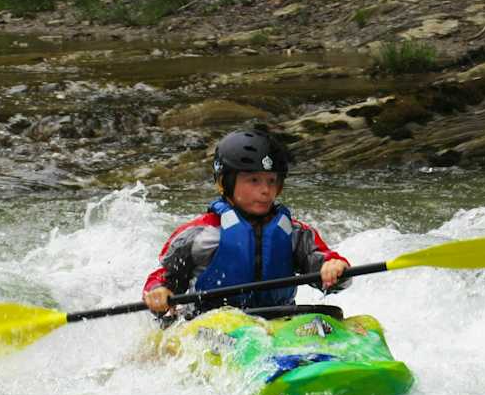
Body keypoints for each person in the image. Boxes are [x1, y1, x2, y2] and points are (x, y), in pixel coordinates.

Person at [143, 128, 350, 317]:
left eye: (272, 180)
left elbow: (329, 271)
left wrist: (334, 269)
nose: (266, 190)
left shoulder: (295, 234)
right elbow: (164, 278)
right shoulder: (198, 234)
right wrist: (158, 292)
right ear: (226, 183)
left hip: (278, 323)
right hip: (210, 326)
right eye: (254, 180)